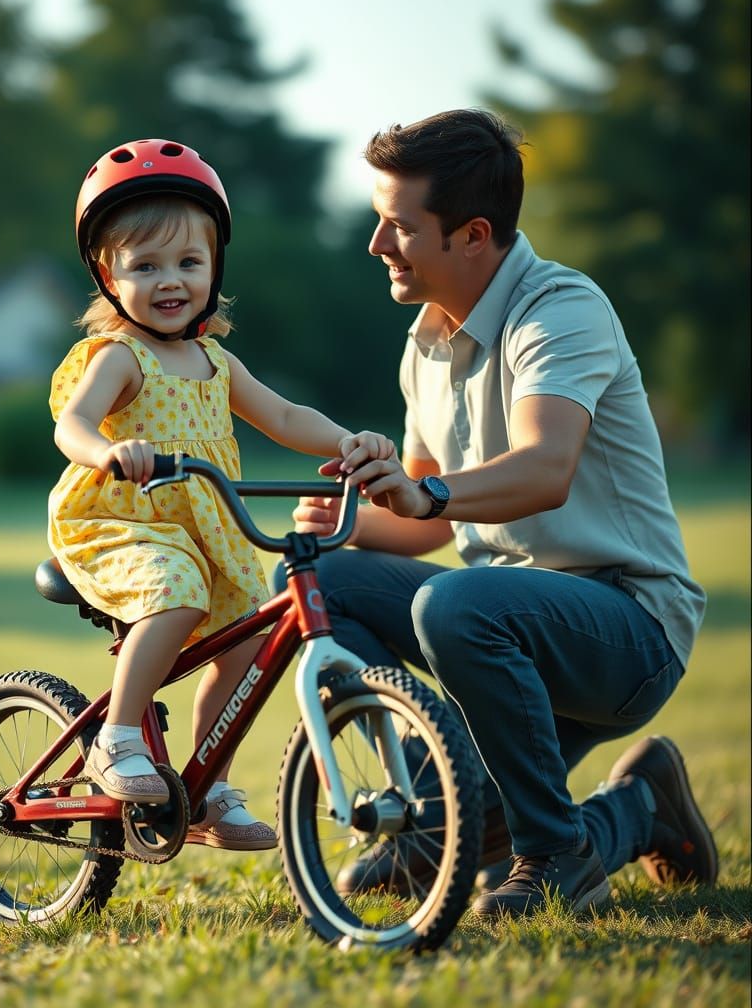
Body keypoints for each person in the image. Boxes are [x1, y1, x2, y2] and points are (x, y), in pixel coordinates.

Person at [291, 109, 716, 916]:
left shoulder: (560, 309)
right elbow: (426, 520)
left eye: (398, 227)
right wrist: (339, 524)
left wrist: (432, 492)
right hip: (500, 625)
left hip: (629, 627)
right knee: (331, 581)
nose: (377, 245)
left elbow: (544, 468)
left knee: (452, 600)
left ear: (473, 234)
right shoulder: (425, 344)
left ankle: (555, 853)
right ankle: (569, 807)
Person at [48, 138, 393, 852]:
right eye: (145, 266)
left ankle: (206, 786)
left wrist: (349, 443)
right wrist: (111, 452)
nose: (169, 280)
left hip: (203, 530)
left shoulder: (216, 361)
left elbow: (288, 418)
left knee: (248, 637)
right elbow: (72, 425)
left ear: (214, 269)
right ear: (109, 276)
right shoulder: (122, 357)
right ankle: (116, 737)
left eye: (187, 262)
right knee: (178, 590)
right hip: (119, 523)